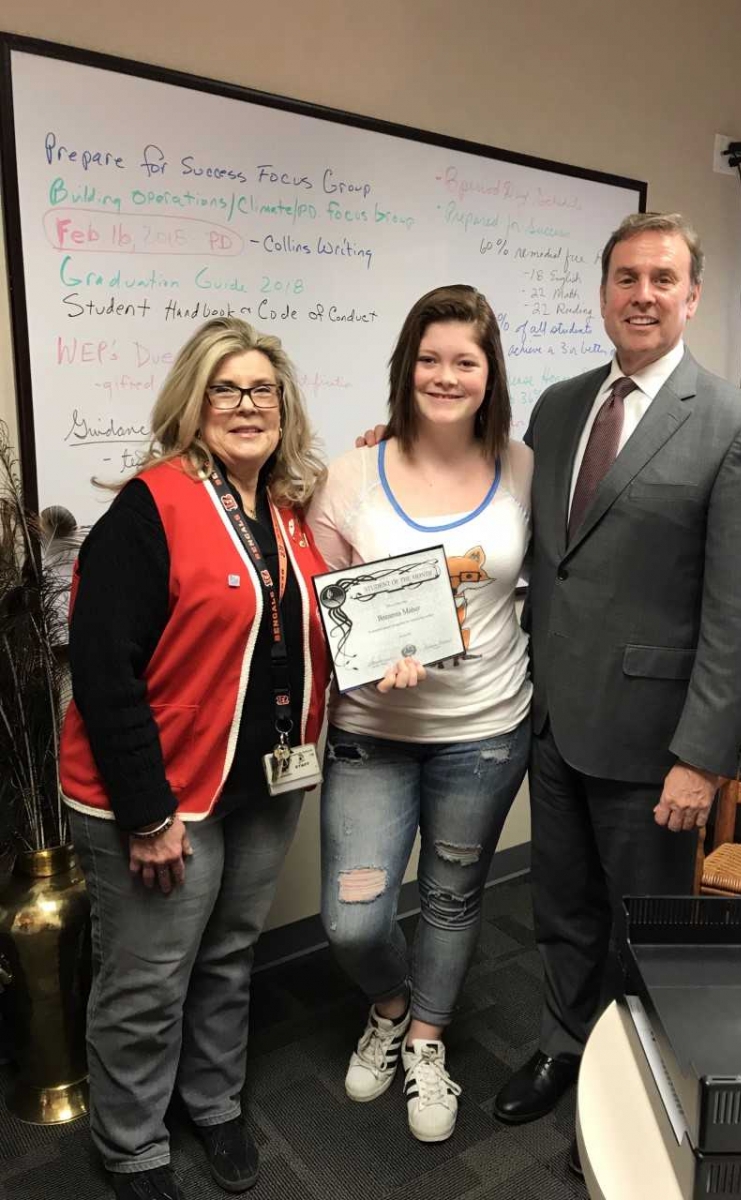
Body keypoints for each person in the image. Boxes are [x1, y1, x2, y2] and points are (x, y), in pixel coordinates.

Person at [490, 212, 741, 1170]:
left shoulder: (737, 425)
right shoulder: (559, 406)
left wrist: (703, 758)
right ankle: (566, 1046)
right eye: (626, 278)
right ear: (604, 291)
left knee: (644, 928)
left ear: (693, 295)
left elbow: (740, 618)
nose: (643, 294)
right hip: (557, 718)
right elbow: (533, 541)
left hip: (658, 743)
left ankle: (634, 1095)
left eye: (664, 278)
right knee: (561, 906)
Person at [59, 318, 331, 1200]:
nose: (248, 406)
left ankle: (211, 1102)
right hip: (160, 796)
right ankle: (132, 1143)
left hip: (258, 781)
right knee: (146, 980)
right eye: (228, 389)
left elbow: (291, 633)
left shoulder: (284, 508)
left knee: (228, 956)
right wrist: (145, 812)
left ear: (284, 406)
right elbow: (102, 672)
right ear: (194, 402)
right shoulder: (151, 507)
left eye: (264, 390)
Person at [307, 284, 532, 1143]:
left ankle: (429, 1039)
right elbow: (322, 606)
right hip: (375, 736)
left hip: (485, 728)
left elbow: (543, 580)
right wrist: (368, 655)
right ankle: (391, 1005)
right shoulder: (351, 474)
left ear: (488, 372)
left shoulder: (522, 465)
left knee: (450, 895)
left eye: (464, 361)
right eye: (429, 359)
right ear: (407, 366)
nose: (445, 376)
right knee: (353, 918)